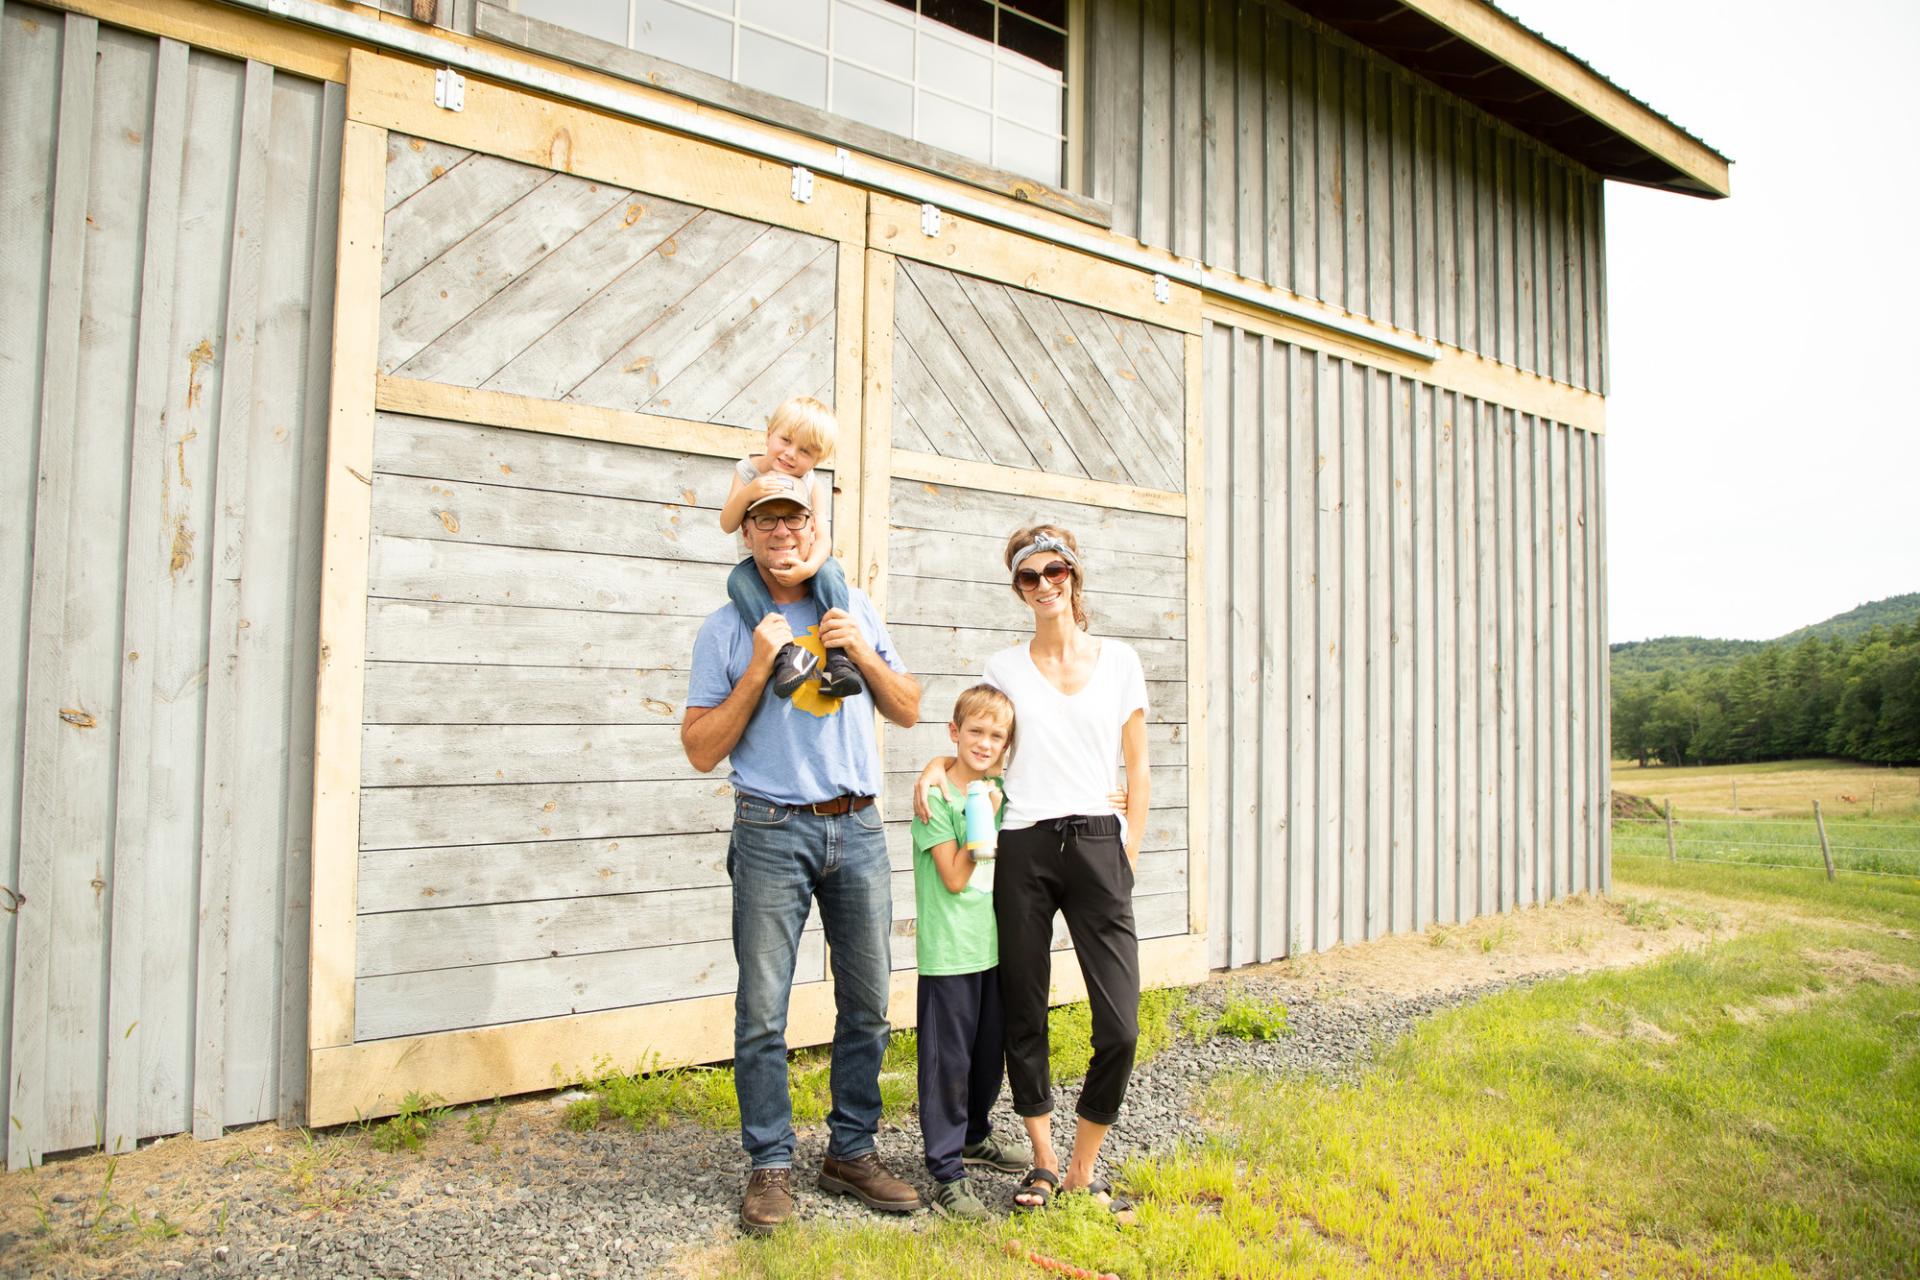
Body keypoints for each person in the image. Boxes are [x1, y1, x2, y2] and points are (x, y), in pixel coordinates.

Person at [682, 482, 923, 1235]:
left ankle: (850, 1152)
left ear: (812, 527)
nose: (781, 531)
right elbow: (698, 749)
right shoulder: (725, 629)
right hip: (769, 828)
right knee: (762, 1010)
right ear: (747, 533)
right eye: (766, 519)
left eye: (794, 518)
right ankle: (770, 1165)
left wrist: (860, 653)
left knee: (869, 1006)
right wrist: (758, 668)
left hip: (856, 828)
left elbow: (909, 705)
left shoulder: (851, 607)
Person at [913, 524, 1149, 1212]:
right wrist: (933, 764)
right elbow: (977, 742)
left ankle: (1084, 1165)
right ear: (1017, 587)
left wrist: (1125, 855)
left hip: (1100, 845)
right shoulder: (1002, 666)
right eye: (1029, 576)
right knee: (1025, 1008)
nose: (1045, 585)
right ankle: (1044, 1161)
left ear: (1075, 576)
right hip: (1022, 847)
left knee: (1121, 1025)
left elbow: (1139, 770)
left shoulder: (1121, 661)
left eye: (1056, 571)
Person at [907, 685, 1032, 1219]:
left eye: (996, 736)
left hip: (992, 950)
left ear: (1006, 747)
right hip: (950, 953)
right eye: (974, 732)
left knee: (987, 1059)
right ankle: (945, 1169)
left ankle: (974, 1137)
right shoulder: (935, 798)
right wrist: (982, 818)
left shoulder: (997, 786)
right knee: (948, 1064)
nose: (984, 743)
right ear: (954, 733)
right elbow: (956, 878)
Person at [717, 395, 862, 700]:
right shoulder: (747, 472)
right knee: (738, 581)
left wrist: (809, 568)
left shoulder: (811, 484)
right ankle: (788, 654)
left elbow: (823, 538)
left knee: (830, 570)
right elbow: (728, 523)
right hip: (759, 567)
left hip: (803, 561)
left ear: (818, 459)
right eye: (785, 440)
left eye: (806, 451)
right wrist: (749, 494)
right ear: (769, 434)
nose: (791, 454)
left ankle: (838, 659)